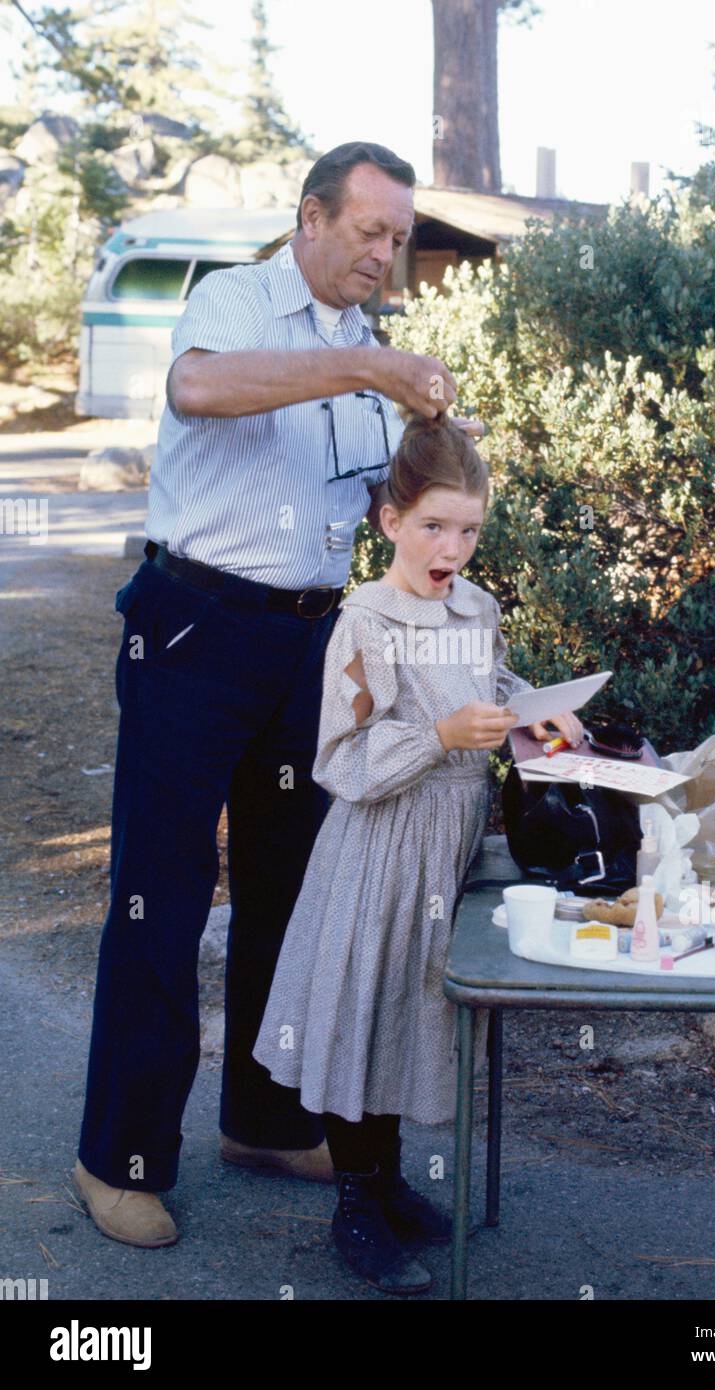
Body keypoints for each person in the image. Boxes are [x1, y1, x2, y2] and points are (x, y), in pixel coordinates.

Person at [72, 141, 485, 1249]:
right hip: (195, 625)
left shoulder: (367, 348)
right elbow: (197, 387)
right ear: (312, 217)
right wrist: (369, 372)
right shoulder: (237, 296)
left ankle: (262, 1120)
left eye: (398, 239)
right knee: (161, 894)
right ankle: (118, 1157)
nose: (386, 255)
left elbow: (377, 503)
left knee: (288, 895)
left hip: (309, 640)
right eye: (370, 232)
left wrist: (444, 454)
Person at [253, 412, 584, 1294]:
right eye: (434, 526)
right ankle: (355, 1203)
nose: (452, 548)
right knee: (369, 1008)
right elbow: (341, 759)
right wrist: (439, 734)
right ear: (390, 522)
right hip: (382, 845)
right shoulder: (365, 621)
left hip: (456, 843)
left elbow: (493, 686)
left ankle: (389, 1180)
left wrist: (535, 706)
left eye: (470, 530)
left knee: (414, 1009)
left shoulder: (477, 606)